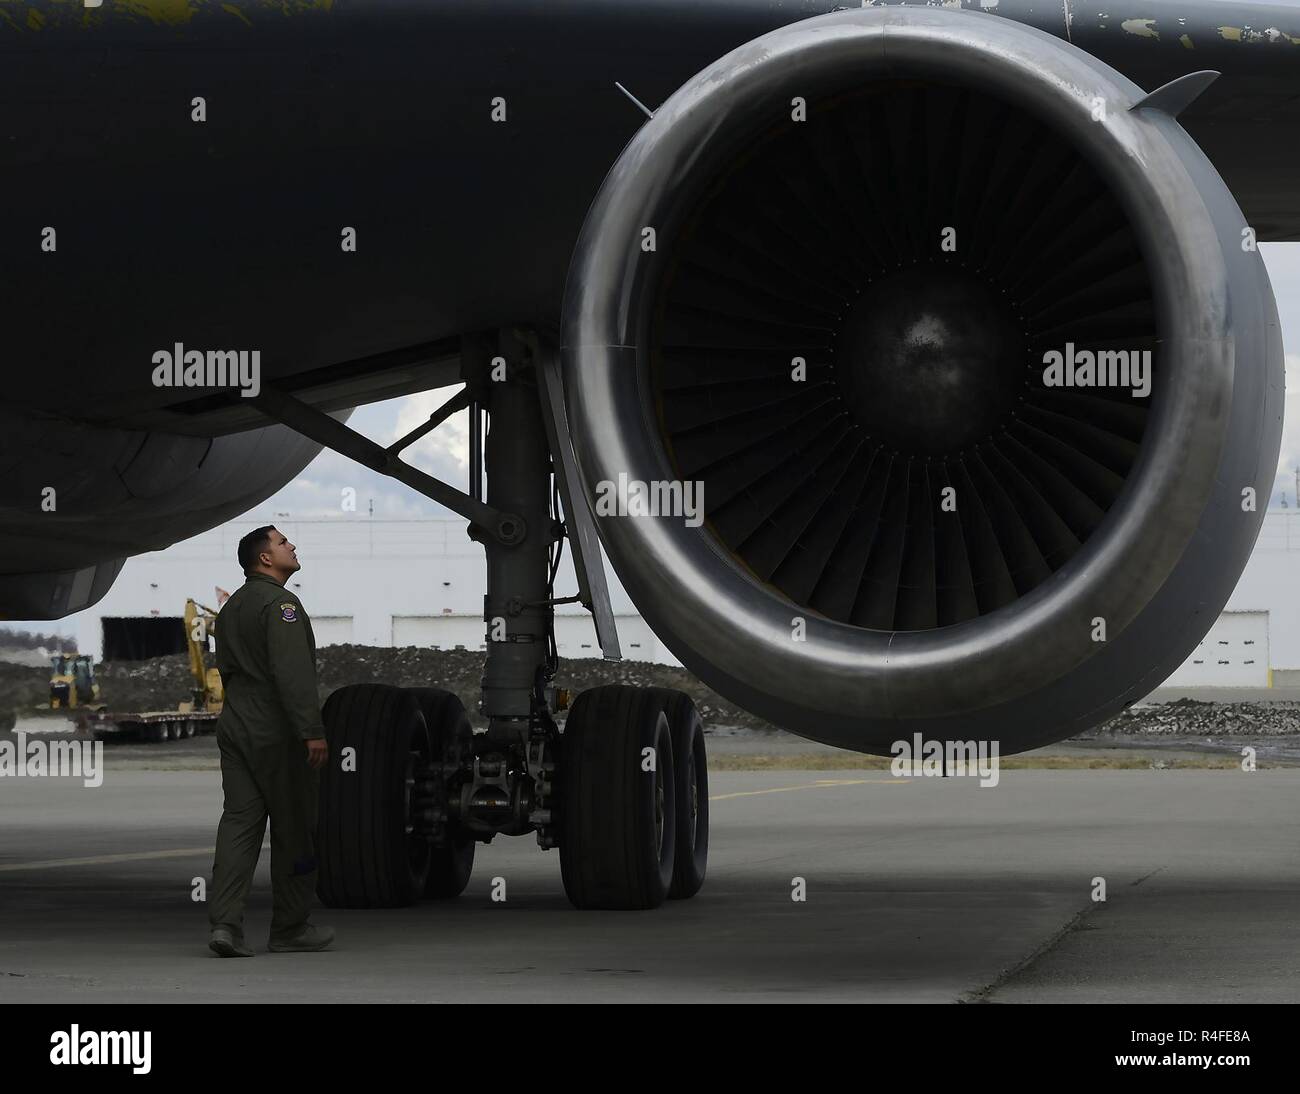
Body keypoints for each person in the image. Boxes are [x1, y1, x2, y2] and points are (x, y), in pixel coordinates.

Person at [207, 525, 334, 957]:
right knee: (295, 828)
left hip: (235, 726)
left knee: (239, 826)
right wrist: (312, 732)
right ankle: (290, 927)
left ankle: (225, 925)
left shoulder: (233, 607)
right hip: (276, 734)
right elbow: (292, 675)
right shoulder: (282, 605)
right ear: (265, 558)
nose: (292, 546)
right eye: (282, 543)